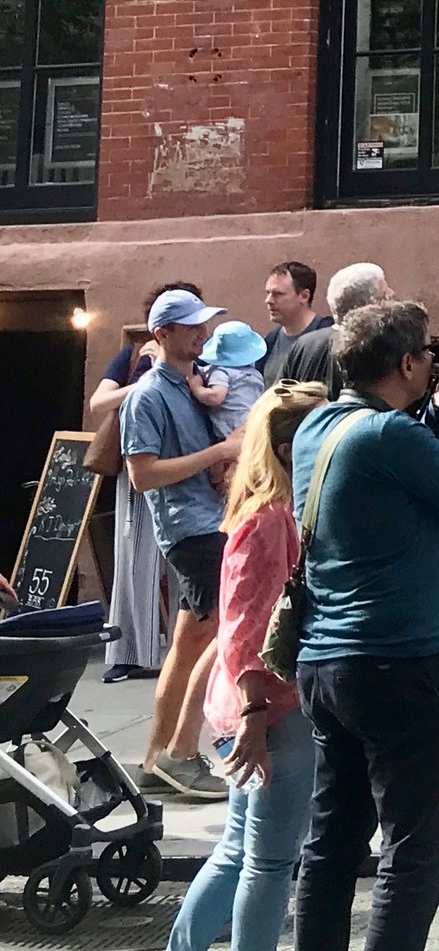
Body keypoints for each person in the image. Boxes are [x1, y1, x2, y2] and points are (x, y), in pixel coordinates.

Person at [290, 300, 439, 951]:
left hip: (327, 664)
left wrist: (436, 398)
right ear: (408, 362)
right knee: (412, 854)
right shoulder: (386, 435)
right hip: (399, 664)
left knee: (330, 845)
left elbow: (405, 465)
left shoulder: (317, 427)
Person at [167, 381, 329, 951]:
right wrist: (257, 715)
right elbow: (241, 634)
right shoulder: (268, 520)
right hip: (270, 710)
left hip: (261, 707)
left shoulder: (270, 512)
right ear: (291, 448)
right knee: (267, 861)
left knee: (242, 850)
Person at [122, 286, 245, 801]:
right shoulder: (148, 395)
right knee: (228, 631)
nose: (201, 332)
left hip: (204, 523)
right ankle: (181, 751)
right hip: (191, 530)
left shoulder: (186, 385)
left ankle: (156, 758)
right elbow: (142, 475)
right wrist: (219, 451)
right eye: (190, 325)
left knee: (190, 642)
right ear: (161, 334)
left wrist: (218, 462)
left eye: (203, 324)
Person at [90, 324, 169, 684]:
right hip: (137, 460)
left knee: (196, 563)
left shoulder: (203, 356)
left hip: (188, 462)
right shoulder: (135, 355)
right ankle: (128, 653)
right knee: (133, 555)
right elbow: (98, 402)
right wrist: (146, 381)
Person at [273, 262, 389, 391]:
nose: (391, 295)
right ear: (370, 303)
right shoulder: (373, 347)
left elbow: (277, 400)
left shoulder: (303, 345)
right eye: (384, 294)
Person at [195, 321, 271, 441]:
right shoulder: (255, 374)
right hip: (253, 427)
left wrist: (196, 387)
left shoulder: (221, 372)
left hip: (230, 431)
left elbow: (215, 397)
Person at [262, 260, 331, 368]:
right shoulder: (270, 341)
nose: (268, 300)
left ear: (304, 296)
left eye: (278, 294)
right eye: (268, 293)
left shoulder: (330, 337)